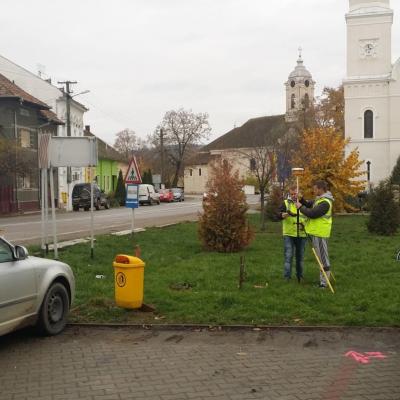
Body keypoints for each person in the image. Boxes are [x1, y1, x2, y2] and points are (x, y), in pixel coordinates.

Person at [296, 180, 334, 288]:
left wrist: (300, 207)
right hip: (316, 233)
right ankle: (324, 280)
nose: (314, 190)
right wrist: (301, 200)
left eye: (315, 188)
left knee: (322, 258)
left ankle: (324, 283)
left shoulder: (325, 202)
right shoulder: (319, 200)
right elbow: (309, 204)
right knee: (320, 257)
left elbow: (312, 214)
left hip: (320, 233)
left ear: (321, 189)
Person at [279, 186, 307, 283]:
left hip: (302, 234)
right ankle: (287, 277)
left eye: (295, 193)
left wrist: (304, 225)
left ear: (299, 194)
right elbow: (279, 215)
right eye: (292, 194)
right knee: (288, 256)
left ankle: (300, 277)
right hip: (289, 233)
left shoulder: (305, 203)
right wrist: (285, 214)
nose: (294, 195)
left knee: (300, 257)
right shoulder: (286, 203)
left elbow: (310, 216)